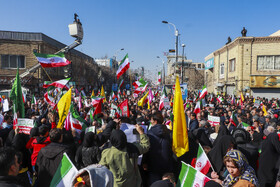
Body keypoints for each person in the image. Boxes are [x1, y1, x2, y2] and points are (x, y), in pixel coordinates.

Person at [143, 112, 174, 185]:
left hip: (154, 166)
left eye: (151, 120)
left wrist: (144, 162)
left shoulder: (149, 133)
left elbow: (147, 148)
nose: (150, 121)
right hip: (167, 164)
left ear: (155, 121)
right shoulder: (169, 132)